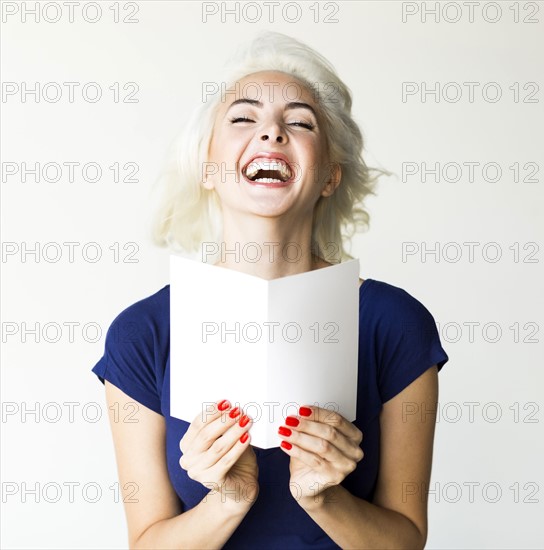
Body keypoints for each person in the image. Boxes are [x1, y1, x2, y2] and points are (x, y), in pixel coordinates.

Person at [92, 31, 449, 549]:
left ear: (329, 175)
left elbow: (407, 541)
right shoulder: (143, 333)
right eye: (243, 118)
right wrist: (228, 500)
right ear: (207, 167)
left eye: (299, 122)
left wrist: (325, 498)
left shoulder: (393, 322)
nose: (272, 133)